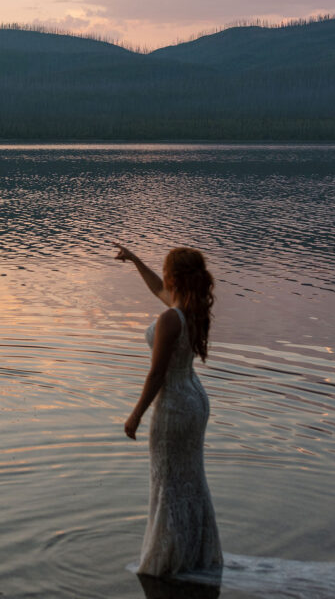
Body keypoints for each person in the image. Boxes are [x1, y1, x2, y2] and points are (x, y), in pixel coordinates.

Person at [115, 244, 222, 580]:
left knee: (168, 483)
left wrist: (135, 415)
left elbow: (156, 375)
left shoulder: (169, 318)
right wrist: (135, 261)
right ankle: (193, 552)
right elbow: (156, 289)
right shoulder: (190, 310)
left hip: (174, 405)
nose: (160, 276)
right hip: (195, 401)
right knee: (189, 481)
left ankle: (168, 559)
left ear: (173, 275)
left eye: (164, 269)